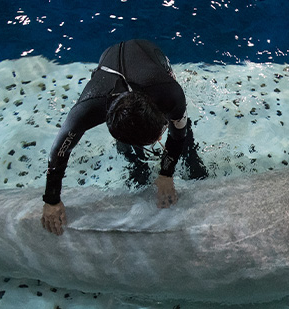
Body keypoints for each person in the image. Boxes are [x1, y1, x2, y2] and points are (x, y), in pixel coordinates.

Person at [41, 39, 206, 235]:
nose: (160, 141)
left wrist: (166, 174)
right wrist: (52, 199)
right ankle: (136, 164)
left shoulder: (169, 92)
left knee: (183, 134)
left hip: (149, 54)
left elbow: (179, 131)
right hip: (109, 65)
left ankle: (189, 159)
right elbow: (59, 150)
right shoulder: (87, 109)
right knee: (131, 155)